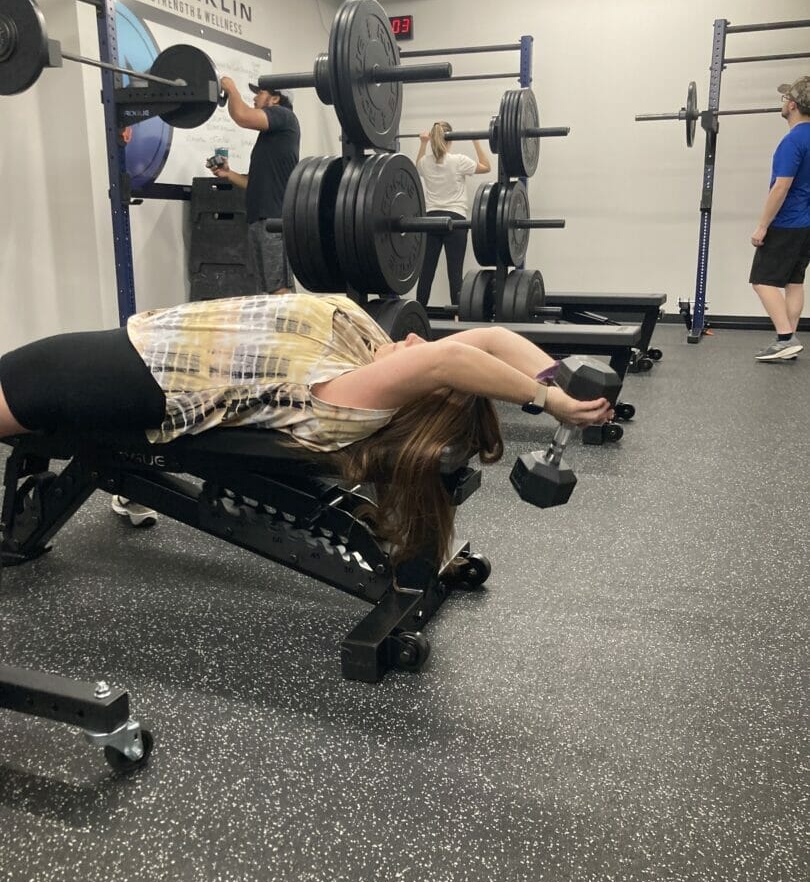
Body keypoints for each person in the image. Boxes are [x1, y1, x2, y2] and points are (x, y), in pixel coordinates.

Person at [0, 294, 612, 567]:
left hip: (132, 377)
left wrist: (542, 400)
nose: (418, 336)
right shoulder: (375, 353)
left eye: (416, 359)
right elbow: (483, 343)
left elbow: (446, 361)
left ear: (414, 390)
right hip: (138, 343)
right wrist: (561, 378)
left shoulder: (349, 399)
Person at [211, 78, 300, 295]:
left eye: (260, 93)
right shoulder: (270, 136)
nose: (254, 97)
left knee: (279, 289)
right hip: (260, 221)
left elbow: (241, 116)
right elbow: (254, 183)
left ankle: (290, 330)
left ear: (276, 98)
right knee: (268, 291)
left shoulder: (283, 116)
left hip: (274, 222)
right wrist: (229, 174)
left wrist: (231, 88)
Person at [749, 76, 810, 361]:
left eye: (785, 98)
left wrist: (763, 226)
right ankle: (789, 340)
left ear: (793, 105)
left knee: (762, 280)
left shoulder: (792, 141)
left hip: (788, 222)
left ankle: (785, 338)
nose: (783, 102)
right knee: (794, 282)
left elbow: (781, 187)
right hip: (807, 224)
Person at [414, 122, 490, 308]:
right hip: (455, 221)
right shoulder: (458, 161)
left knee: (426, 272)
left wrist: (423, 143)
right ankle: (457, 318)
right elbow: (486, 166)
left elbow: (417, 167)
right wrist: (475, 141)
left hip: (430, 221)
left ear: (433, 139)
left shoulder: (425, 163)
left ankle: (416, 316)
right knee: (455, 273)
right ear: (451, 140)